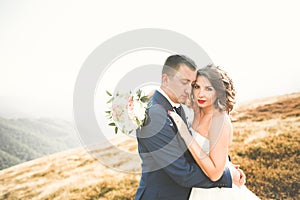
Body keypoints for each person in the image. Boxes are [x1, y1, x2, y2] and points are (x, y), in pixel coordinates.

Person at [135, 55, 244, 200]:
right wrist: (228, 176)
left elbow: (202, 150)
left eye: (192, 84)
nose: (192, 91)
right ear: (165, 79)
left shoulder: (181, 106)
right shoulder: (155, 117)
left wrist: (224, 163)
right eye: (193, 85)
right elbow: (183, 173)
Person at [169, 64, 260, 199]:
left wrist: (186, 136)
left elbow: (215, 174)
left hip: (215, 192)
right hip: (199, 187)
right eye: (197, 87)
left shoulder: (219, 120)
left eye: (208, 89)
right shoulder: (197, 111)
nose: (201, 94)